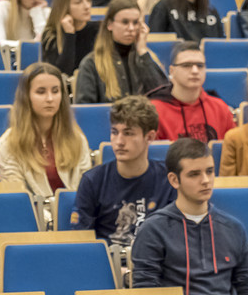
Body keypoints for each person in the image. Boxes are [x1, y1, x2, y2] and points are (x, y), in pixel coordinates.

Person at [130, 138, 248, 295]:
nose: (205, 180)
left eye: (209, 171)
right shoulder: (153, 229)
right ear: (174, 180)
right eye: (194, 174)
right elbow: (146, 292)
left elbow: (246, 288)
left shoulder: (234, 228)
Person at [71, 96, 174, 250]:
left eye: (128, 133)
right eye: (114, 132)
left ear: (150, 137)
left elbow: (177, 237)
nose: (119, 141)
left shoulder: (168, 179)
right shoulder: (93, 180)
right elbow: (81, 242)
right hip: (109, 260)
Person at [0, 62, 91, 200]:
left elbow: (86, 191)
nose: (50, 99)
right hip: (34, 212)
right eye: (41, 92)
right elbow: (17, 199)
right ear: (26, 97)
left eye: (55, 91)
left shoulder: (77, 139)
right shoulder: (8, 144)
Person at [75, 0, 166, 104]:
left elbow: (164, 96)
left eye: (135, 22)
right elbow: (85, 108)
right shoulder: (91, 63)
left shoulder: (145, 58)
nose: (131, 28)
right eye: (125, 22)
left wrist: (142, 50)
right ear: (110, 24)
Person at [149, 42, 234, 142]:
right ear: (172, 71)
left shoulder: (220, 108)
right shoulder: (155, 111)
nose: (195, 71)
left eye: (200, 65)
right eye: (186, 65)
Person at [40, 0, 97, 76]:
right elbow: (63, 73)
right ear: (64, 7)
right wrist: (70, 35)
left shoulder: (98, 30)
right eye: (78, 2)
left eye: (88, 0)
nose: (87, 6)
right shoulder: (51, 35)